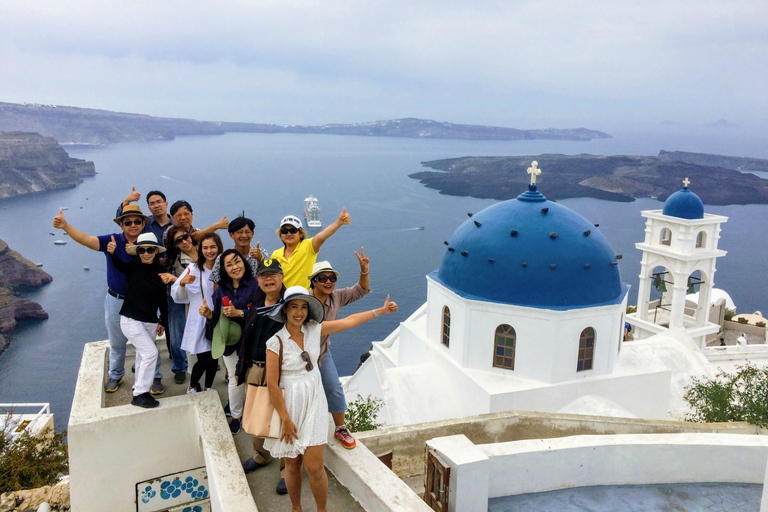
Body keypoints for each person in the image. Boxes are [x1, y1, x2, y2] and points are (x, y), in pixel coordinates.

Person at [264, 286, 398, 512]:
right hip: (289, 406)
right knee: (292, 464)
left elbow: (350, 321)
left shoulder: (315, 330)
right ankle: (296, 507)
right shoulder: (275, 342)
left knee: (315, 467)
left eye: (304, 307)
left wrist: (381, 311)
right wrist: (285, 419)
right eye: (294, 307)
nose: (299, 312)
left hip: (314, 402)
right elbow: (272, 384)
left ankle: (322, 510)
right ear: (285, 309)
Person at [52, 204, 164, 394]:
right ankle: (116, 374)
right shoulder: (111, 241)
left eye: (138, 221)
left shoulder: (149, 243)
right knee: (117, 341)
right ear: (121, 224)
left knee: (148, 342)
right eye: (127, 222)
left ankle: (155, 376)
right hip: (117, 299)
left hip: (145, 303)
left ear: (144, 223)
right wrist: (66, 226)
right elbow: (87, 240)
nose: (133, 225)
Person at [309, 251, 371, 450]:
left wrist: (364, 270)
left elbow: (361, 289)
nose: (328, 282)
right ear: (313, 282)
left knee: (334, 388)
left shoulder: (336, 297)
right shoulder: (304, 302)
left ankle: (340, 428)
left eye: (332, 278)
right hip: (302, 357)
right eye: (322, 278)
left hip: (323, 352)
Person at [199, 249, 260, 435]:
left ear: (244, 262)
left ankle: (253, 414)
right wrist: (209, 315)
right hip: (231, 342)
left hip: (253, 340)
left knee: (253, 380)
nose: (235, 267)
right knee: (235, 379)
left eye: (237, 261)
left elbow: (262, 312)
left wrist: (239, 313)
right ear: (223, 270)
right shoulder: (221, 290)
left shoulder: (256, 285)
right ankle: (236, 415)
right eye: (229, 265)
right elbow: (218, 318)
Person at [236, 258, 286, 478]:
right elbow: (248, 335)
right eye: (264, 275)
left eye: (273, 274)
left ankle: (287, 470)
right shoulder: (256, 301)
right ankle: (261, 456)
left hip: (281, 372)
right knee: (256, 414)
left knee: (283, 418)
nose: (268, 279)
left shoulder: (290, 303)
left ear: (282, 277)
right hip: (254, 367)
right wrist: (241, 366)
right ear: (258, 280)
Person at [106, 233, 168, 408]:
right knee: (151, 353)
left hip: (150, 321)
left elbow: (162, 300)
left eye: (150, 250)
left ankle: (137, 389)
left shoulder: (160, 274)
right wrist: (112, 253)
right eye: (142, 250)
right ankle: (141, 393)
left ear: (156, 251)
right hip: (130, 320)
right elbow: (118, 264)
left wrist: (163, 321)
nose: (146, 253)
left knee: (143, 355)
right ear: (138, 251)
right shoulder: (132, 267)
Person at [171, 233, 223, 393]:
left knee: (214, 357)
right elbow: (177, 296)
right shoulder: (193, 268)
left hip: (218, 317)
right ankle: (192, 386)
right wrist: (182, 284)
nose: (209, 251)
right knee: (204, 358)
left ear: (219, 248)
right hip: (199, 317)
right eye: (205, 248)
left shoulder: (224, 267)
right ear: (200, 249)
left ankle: (208, 387)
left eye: (212, 247)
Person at [270, 208, 351, 289]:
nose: (288, 233)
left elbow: (322, 236)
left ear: (300, 233)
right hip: (284, 297)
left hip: (305, 297)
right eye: (284, 231)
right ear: (280, 234)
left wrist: (339, 222)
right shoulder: (276, 254)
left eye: (293, 230)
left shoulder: (308, 246)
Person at [161, 225, 200, 384]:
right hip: (182, 301)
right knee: (178, 335)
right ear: (174, 245)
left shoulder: (205, 250)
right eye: (179, 240)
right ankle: (179, 367)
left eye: (186, 236)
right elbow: (176, 287)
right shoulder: (175, 260)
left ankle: (206, 360)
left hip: (203, 299)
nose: (184, 241)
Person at [210, 215, 268, 283]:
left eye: (247, 232)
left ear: (252, 233)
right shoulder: (223, 258)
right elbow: (217, 284)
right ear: (231, 235)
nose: (244, 235)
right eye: (239, 232)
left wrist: (260, 259)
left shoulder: (262, 252)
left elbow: (269, 276)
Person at [164, 200, 229, 246]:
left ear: (192, 214)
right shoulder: (169, 231)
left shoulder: (198, 231)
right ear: (172, 218)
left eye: (186, 214)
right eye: (179, 215)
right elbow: (190, 237)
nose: (183, 217)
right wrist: (216, 226)